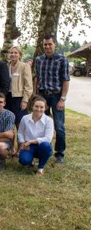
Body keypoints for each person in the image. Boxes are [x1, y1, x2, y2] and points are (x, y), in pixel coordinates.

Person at [34, 34, 70, 163]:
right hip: (42, 95)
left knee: (59, 126)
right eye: (45, 44)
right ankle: (43, 149)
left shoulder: (62, 60)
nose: (47, 46)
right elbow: (37, 78)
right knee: (41, 123)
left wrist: (62, 99)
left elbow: (66, 80)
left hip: (56, 96)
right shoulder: (39, 60)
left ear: (55, 44)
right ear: (43, 45)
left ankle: (59, 153)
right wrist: (35, 94)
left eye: (50, 44)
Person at [17, 96, 54, 175]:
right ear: (32, 106)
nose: (38, 109)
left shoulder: (49, 120)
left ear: (45, 108)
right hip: (28, 146)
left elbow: (48, 138)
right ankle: (30, 160)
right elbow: (20, 132)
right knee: (24, 161)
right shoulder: (25, 118)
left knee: (46, 146)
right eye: (36, 106)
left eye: (41, 107)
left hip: (42, 145)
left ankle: (40, 168)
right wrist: (22, 142)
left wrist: (30, 141)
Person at [7, 45, 33, 127]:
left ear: (20, 55)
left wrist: (25, 100)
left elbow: (28, 85)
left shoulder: (24, 66)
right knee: (8, 123)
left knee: (20, 124)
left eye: (16, 53)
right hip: (7, 97)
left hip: (19, 98)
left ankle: (23, 140)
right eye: (11, 52)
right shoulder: (6, 66)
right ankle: (8, 140)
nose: (13, 54)